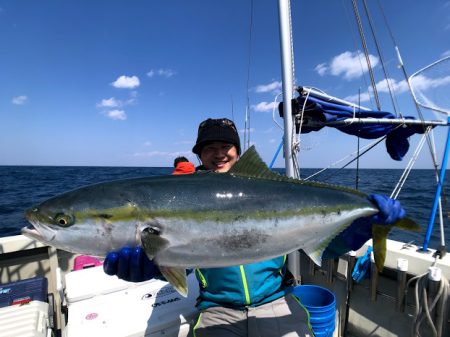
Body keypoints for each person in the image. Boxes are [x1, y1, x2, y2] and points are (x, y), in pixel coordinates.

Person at [104, 117, 406, 337]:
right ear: (199, 155)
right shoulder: (182, 196)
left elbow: (322, 247)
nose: (219, 153)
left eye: (226, 146)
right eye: (209, 148)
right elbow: (184, 255)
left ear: (238, 151)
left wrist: (362, 230)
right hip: (217, 310)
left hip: (276, 301)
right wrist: (156, 265)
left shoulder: (270, 193)